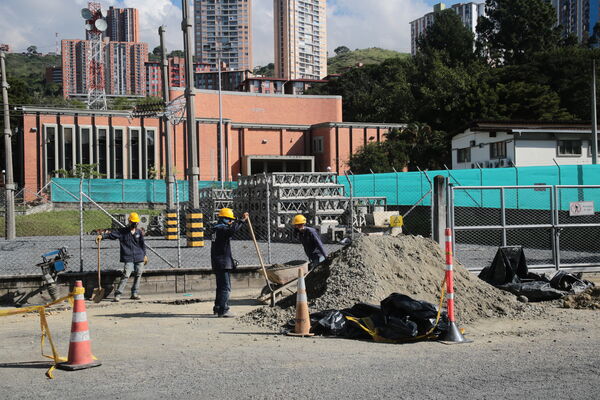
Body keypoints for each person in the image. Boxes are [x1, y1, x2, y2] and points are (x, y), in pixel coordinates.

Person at [96, 212, 147, 302]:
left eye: (136, 222)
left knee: (138, 274)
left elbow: (142, 245)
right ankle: (118, 294)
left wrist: (145, 255)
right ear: (130, 222)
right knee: (126, 275)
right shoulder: (122, 232)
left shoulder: (139, 232)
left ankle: (134, 293)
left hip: (139, 256)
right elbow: (112, 235)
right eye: (133, 222)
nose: (135, 224)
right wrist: (102, 236)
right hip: (128, 257)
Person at [211, 208, 249, 318]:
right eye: (230, 220)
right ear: (225, 219)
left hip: (217, 262)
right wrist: (242, 220)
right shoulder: (222, 229)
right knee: (225, 288)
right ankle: (224, 310)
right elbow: (232, 230)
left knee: (220, 287)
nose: (231, 222)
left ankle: (218, 307)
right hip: (222, 262)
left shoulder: (216, 229)